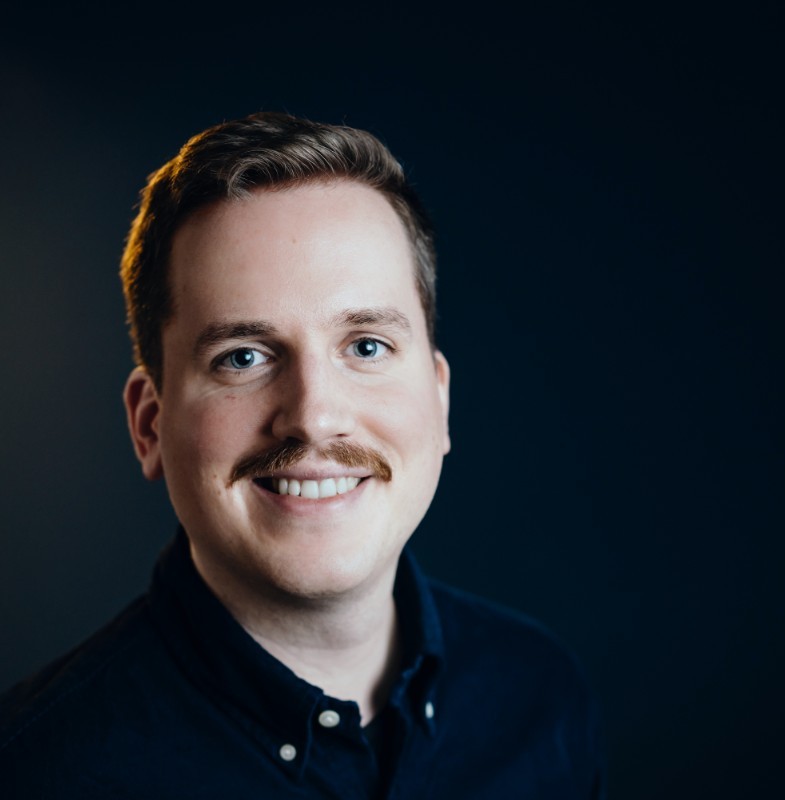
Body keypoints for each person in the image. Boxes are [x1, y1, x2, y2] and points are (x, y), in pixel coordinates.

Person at [0, 112, 605, 798]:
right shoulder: (37, 773)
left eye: (366, 346)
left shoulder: (539, 700)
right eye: (244, 357)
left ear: (438, 401)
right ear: (149, 426)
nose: (314, 417)